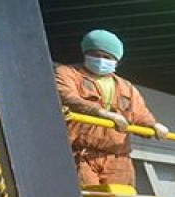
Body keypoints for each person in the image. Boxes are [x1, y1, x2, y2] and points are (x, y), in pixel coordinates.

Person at [54, 29, 168, 187]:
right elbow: (66, 96)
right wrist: (102, 113)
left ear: (116, 61)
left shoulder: (126, 87)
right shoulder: (67, 73)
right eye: (95, 54)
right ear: (85, 54)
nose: (100, 60)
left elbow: (140, 114)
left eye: (106, 57)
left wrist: (154, 125)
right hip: (81, 154)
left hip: (118, 158)